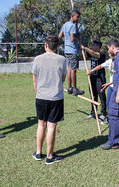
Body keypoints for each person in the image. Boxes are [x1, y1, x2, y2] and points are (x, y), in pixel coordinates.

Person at [32, 35, 67, 165]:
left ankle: (38, 152)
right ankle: (49, 156)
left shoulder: (37, 59)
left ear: (46, 45)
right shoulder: (62, 60)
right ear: (57, 46)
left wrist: (38, 91)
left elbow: (34, 78)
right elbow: (63, 79)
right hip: (55, 98)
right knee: (51, 126)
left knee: (41, 124)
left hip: (41, 97)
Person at [59, 9, 84, 96]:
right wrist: (78, 36)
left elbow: (60, 35)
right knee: (73, 70)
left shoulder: (65, 24)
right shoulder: (73, 26)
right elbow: (72, 39)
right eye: (77, 17)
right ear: (72, 16)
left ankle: (69, 88)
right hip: (73, 51)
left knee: (69, 69)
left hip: (67, 50)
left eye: (79, 18)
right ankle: (75, 89)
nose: (78, 19)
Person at [86, 52, 116, 125]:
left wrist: (85, 48)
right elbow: (100, 66)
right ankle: (108, 119)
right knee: (107, 102)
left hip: (115, 85)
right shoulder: (109, 61)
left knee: (111, 102)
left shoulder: (117, 61)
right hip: (110, 86)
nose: (109, 55)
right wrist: (91, 71)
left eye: (110, 53)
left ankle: (108, 116)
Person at [81, 40, 107, 121]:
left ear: (98, 46)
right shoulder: (90, 53)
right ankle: (93, 112)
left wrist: (85, 48)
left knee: (101, 95)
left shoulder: (102, 54)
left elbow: (95, 54)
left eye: (93, 45)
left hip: (100, 78)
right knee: (93, 95)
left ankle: (103, 113)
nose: (91, 46)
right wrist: (79, 49)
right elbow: (83, 54)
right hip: (92, 77)